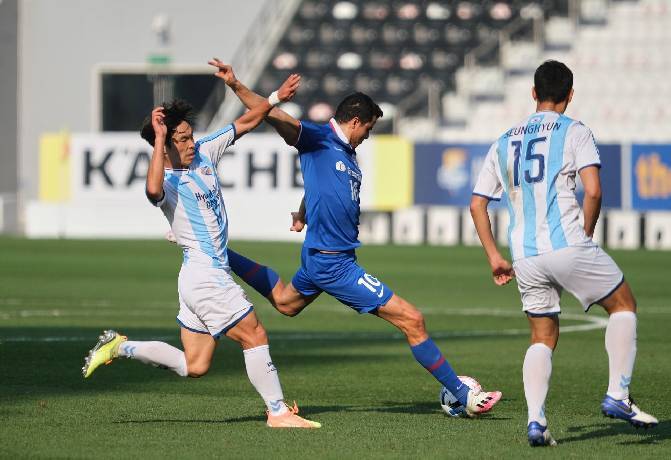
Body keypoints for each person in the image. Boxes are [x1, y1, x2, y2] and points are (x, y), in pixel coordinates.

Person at [206, 58, 502, 418]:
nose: (368, 136)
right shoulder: (318, 137)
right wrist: (239, 86)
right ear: (356, 121)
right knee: (413, 319)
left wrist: (303, 211)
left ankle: (222, 252)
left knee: (285, 302)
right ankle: (464, 396)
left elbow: (322, 187)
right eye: (369, 129)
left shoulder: (346, 154)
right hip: (334, 264)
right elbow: (269, 115)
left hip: (323, 258)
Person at [81, 72, 321, 429]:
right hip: (206, 277)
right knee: (254, 334)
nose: (190, 143)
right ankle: (278, 412)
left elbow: (246, 122)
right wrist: (160, 139)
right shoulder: (167, 182)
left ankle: (119, 346)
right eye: (181, 139)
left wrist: (274, 98)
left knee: (195, 366)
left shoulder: (205, 152)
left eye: (190, 135)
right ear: (165, 146)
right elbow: (150, 192)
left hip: (197, 278)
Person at [469, 60, 658, 446]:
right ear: (570, 95)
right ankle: (618, 395)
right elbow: (594, 190)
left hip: (525, 255)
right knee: (623, 305)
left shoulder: (504, 140)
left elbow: (477, 204)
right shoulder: (575, 132)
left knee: (541, 336)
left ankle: (536, 422)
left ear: (533, 93)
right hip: (567, 242)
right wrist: (585, 235)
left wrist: (494, 256)